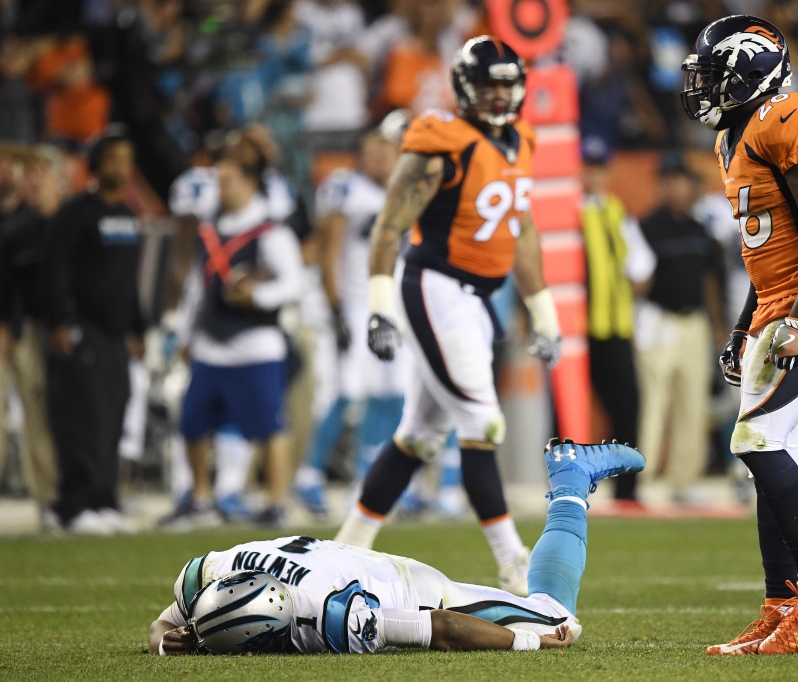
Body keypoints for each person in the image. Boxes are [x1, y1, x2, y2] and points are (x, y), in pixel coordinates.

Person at [335, 37, 562, 597]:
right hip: (434, 287)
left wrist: (543, 311)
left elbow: (522, 230)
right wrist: (380, 309)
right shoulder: (442, 143)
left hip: (476, 299)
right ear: (464, 87)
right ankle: (514, 563)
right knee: (482, 424)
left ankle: (346, 550)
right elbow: (390, 224)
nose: (499, 95)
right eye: (488, 85)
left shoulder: (521, 141)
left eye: (507, 84)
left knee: (418, 436)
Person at [681, 15, 798, 655]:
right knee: (768, 456)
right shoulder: (735, 135)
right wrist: (744, 325)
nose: (701, 85)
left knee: (756, 442)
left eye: (713, 73)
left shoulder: (788, 117)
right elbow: (770, 254)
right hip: (779, 303)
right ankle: (781, 601)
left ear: (748, 71)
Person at [147, 440, 645, 656]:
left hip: (409, 587)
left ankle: (570, 479)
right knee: (420, 430)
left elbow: (441, 627)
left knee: (557, 621)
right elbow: (163, 624)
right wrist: (165, 643)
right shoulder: (213, 572)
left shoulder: (328, 614)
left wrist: (527, 641)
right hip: (341, 562)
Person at [169, 133, 304, 529]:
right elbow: (197, 286)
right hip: (212, 344)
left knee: (270, 427)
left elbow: (294, 282)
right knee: (192, 422)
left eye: (227, 181)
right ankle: (200, 498)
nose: (220, 188)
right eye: (218, 181)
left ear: (249, 184)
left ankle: (276, 503)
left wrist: (257, 295)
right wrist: (185, 334)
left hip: (256, 344)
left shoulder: (269, 232)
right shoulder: (210, 231)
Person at [294, 113, 410, 514]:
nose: (380, 159)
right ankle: (309, 476)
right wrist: (336, 309)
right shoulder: (348, 189)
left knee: (393, 393)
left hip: (391, 309)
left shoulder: (405, 191)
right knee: (347, 392)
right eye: (373, 151)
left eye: (387, 151)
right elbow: (329, 252)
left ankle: (370, 477)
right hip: (357, 306)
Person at [44, 125, 146, 534]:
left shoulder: (127, 216)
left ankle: (104, 499)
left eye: (127, 160)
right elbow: (55, 271)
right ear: (96, 165)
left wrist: (138, 328)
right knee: (82, 419)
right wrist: (58, 322)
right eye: (113, 159)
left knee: (113, 417)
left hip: (115, 336)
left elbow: (128, 280)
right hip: (81, 328)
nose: (121, 167)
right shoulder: (75, 214)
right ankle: (73, 505)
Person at [635, 152, 725, 501]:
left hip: (695, 323)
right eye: (669, 180)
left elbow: (710, 280)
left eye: (681, 180)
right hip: (659, 320)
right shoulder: (647, 226)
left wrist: (718, 325)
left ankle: (682, 481)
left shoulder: (700, 230)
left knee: (693, 404)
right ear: (661, 185)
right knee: (653, 404)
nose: (676, 187)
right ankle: (641, 481)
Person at [579, 136, 656, 502]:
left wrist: (625, 296)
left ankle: (626, 490)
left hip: (613, 327)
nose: (592, 175)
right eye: (587, 167)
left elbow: (641, 266)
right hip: (576, 330)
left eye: (598, 168)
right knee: (571, 411)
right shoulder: (568, 211)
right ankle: (569, 488)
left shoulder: (615, 210)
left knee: (627, 407)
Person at [0, 146, 61, 532]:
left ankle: (49, 499)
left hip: (21, 329)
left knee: (39, 414)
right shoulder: (21, 225)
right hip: (12, 326)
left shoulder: (29, 224)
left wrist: (7, 324)